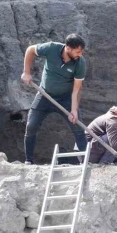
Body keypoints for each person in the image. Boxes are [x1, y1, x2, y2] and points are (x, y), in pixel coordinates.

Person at [21, 33, 88, 165]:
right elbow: (30, 50)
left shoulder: (80, 63)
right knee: (31, 126)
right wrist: (26, 72)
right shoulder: (51, 48)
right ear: (68, 48)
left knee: (78, 128)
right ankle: (28, 161)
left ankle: (85, 162)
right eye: (78, 51)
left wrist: (73, 110)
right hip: (44, 95)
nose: (80, 54)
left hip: (66, 99)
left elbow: (76, 90)